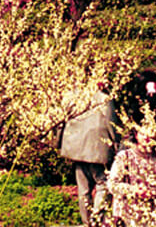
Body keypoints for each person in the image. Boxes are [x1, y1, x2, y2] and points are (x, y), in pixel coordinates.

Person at [59, 86, 116, 227]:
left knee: (83, 188)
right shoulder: (104, 98)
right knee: (103, 184)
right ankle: (96, 219)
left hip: (77, 148)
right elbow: (111, 123)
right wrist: (116, 142)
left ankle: (86, 222)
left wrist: (58, 142)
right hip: (98, 146)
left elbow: (60, 121)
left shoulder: (70, 96)